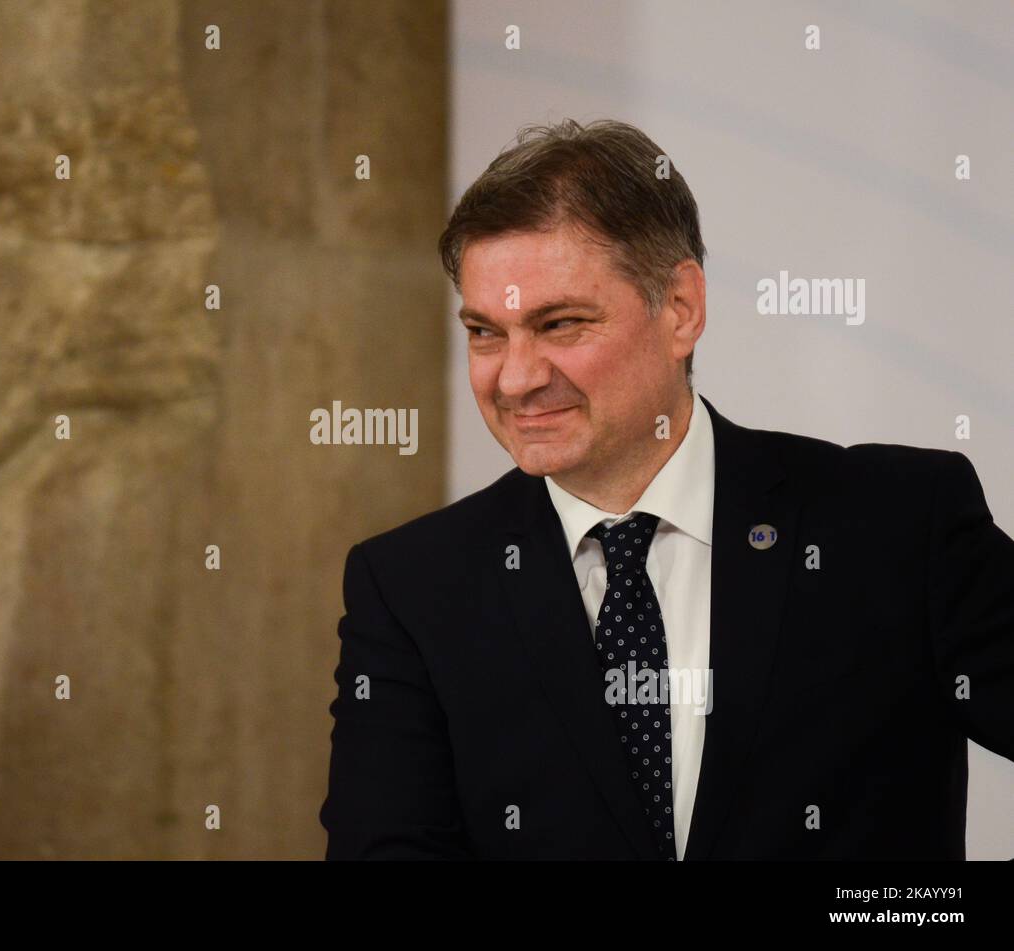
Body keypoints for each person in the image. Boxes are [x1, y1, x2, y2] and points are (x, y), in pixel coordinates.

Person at [319, 119, 1014, 860]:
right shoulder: (412, 587)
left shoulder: (899, 526)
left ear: (680, 308)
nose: (514, 377)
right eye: (487, 332)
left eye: (559, 323)